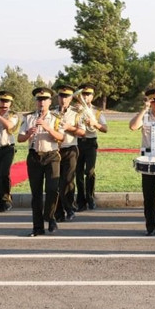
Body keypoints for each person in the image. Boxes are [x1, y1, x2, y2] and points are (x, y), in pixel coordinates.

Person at [18, 87, 64, 236]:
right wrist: (28, 134)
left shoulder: (56, 118)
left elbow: (61, 137)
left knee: (52, 189)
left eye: (44, 100)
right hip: (34, 156)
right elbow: (20, 138)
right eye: (39, 100)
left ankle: (50, 217)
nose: (41, 102)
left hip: (51, 155)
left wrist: (48, 128)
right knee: (36, 193)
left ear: (50, 101)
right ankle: (37, 227)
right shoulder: (28, 117)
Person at [129, 88, 155, 235]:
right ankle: (150, 226)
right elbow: (133, 126)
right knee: (148, 195)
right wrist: (144, 109)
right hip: (147, 159)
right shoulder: (144, 116)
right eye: (153, 101)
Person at [53, 85, 85, 223]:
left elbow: (83, 132)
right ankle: (58, 211)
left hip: (70, 148)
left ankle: (70, 208)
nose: (63, 99)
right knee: (55, 181)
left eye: (66, 97)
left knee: (67, 180)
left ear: (71, 98)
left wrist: (69, 128)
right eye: (61, 96)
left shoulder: (76, 113)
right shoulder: (52, 112)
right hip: (54, 150)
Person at [75, 83, 108, 211]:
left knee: (90, 171)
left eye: (88, 94)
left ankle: (90, 197)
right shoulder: (76, 109)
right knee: (77, 173)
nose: (85, 97)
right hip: (77, 142)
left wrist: (95, 124)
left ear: (92, 96)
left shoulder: (97, 112)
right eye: (83, 94)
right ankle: (80, 201)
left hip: (90, 142)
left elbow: (105, 129)